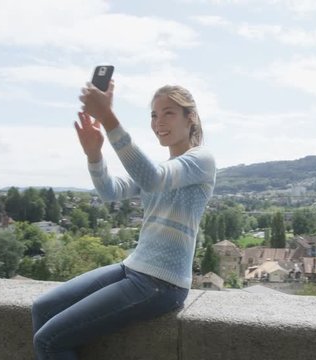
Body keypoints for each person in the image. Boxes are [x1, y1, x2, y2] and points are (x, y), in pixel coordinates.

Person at [31, 80, 216, 360]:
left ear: (190, 117)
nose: (158, 122)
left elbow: (152, 179)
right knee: (41, 308)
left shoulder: (201, 160)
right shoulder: (161, 167)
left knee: (49, 341)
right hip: (133, 268)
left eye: (168, 113)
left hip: (162, 283)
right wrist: (94, 154)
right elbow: (110, 191)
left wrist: (108, 117)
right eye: (154, 115)